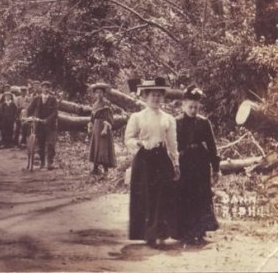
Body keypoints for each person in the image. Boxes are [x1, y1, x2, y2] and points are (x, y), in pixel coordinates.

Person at [124, 77, 180, 248]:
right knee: (146, 195)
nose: (156, 98)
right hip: (144, 159)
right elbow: (128, 139)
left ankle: (160, 231)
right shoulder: (137, 117)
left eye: (159, 95)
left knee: (162, 194)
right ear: (146, 96)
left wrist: (176, 163)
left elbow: (172, 143)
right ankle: (148, 234)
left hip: (162, 158)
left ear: (163, 97)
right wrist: (139, 143)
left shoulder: (168, 118)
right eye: (153, 95)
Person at [176, 85, 220, 245]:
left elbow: (212, 146)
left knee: (201, 196)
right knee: (185, 195)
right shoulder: (177, 122)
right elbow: (173, 145)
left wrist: (216, 168)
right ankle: (185, 232)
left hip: (201, 162)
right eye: (190, 107)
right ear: (183, 105)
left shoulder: (204, 122)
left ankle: (200, 232)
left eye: (196, 107)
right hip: (184, 162)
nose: (193, 110)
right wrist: (174, 163)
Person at [26, 81, 59, 169]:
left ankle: (50, 162)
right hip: (39, 125)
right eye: (44, 87)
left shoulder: (53, 99)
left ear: (50, 89)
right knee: (41, 144)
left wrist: (47, 120)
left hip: (50, 125)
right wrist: (30, 117)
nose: (46, 89)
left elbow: (55, 112)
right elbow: (29, 109)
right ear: (41, 88)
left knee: (51, 144)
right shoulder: (36, 99)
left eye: (48, 87)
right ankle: (42, 162)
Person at [88, 83, 116, 175]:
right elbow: (92, 117)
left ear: (103, 94)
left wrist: (105, 129)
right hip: (96, 126)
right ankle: (95, 168)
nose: (99, 94)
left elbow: (109, 117)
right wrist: (90, 125)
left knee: (103, 147)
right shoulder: (95, 104)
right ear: (94, 94)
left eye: (100, 92)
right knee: (96, 146)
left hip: (104, 126)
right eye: (97, 92)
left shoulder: (106, 103)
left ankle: (106, 169)